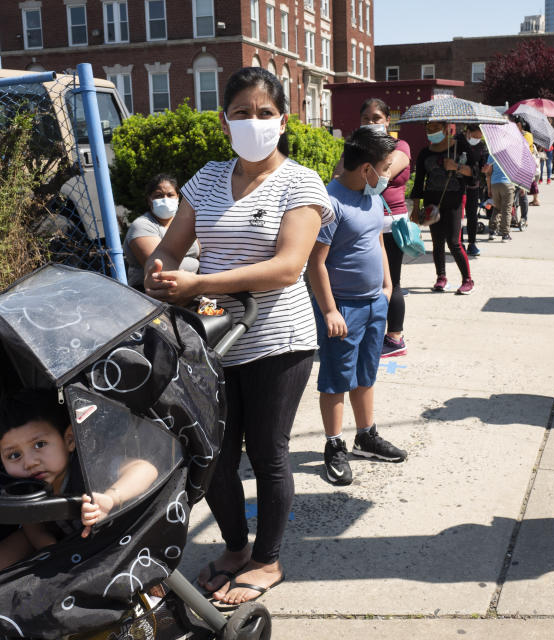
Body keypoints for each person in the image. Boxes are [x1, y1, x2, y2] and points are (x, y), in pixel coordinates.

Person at [143, 67, 333, 607]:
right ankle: (233, 547)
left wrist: (200, 283)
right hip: (212, 339)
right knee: (216, 457)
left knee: (268, 452)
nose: (254, 123)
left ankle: (267, 559)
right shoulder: (205, 179)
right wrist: (159, 273)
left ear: (283, 120)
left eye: (264, 113)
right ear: (224, 120)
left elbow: (287, 267)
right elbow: (171, 247)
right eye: (242, 113)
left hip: (279, 337)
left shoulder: (301, 183)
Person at [0, 389, 158, 581]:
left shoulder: (90, 466)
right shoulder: (24, 485)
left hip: (108, 540)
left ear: (69, 440)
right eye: (14, 455)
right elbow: (31, 526)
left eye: (39, 445)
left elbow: (145, 469)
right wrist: (50, 548)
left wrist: (111, 497)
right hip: (61, 542)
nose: (29, 462)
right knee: (18, 542)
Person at [308, 127, 407, 487]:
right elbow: (315, 263)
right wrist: (331, 311)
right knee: (336, 379)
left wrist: (386, 285)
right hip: (342, 308)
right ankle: (334, 445)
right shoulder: (329, 203)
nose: (386, 174)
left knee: (366, 373)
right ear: (365, 168)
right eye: (383, 167)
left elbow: (377, 240)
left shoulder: (371, 197)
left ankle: (366, 435)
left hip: (372, 304)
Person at [344, 98, 412, 358]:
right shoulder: (356, 149)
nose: (371, 123)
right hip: (363, 222)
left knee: (391, 281)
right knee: (366, 282)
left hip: (390, 223)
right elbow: (341, 177)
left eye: (376, 118)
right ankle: (368, 334)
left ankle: (395, 338)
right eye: (366, 119)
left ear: (387, 121)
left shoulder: (399, 145)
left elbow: (380, 177)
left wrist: (361, 170)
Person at [410, 121, 476, 295]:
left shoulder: (460, 147)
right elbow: (418, 183)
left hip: (454, 200)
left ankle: (467, 280)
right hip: (432, 201)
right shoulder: (425, 153)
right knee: (437, 241)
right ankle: (441, 277)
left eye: (436, 127)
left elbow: (474, 174)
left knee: (454, 241)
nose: (431, 131)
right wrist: (416, 208)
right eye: (428, 128)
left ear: (447, 128)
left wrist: (457, 167)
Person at [122, 174, 200, 289]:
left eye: (170, 195)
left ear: (178, 197)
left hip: (191, 288)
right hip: (152, 294)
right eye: (159, 196)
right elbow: (160, 269)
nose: (165, 199)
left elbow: (204, 255)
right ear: (149, 200)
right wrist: (198, 271)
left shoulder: (185, 224)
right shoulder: (142, 226)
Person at [459, 124, 489, 256]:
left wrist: (485, 169)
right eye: (477, 134)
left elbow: (482, 164)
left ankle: (472, 242)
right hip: (458, 185)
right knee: (458, 216)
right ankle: (459, 243)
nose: (479, 137)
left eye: (481, 135)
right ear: (469, 132)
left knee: (472, 215)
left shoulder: (481, 146)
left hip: (473, 184)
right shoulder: (457, 141)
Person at [482, 155, 514, 242]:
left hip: (494, 184)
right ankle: (505, 234)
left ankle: (492, 231)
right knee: (506, 210)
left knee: (496, 208)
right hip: (507, 184)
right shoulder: (512, 154)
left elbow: (488, 173)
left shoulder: (492, 154)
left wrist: (489, 189)